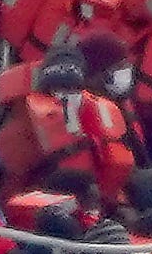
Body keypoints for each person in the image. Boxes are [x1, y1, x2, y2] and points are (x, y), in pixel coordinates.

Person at [17, 45, 137, 205]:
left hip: (95, 200)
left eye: (73, 89)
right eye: (57, 89)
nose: (65, 96)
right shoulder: (23, 118)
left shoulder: (104, 114)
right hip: (44, 200)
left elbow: (123, 165)